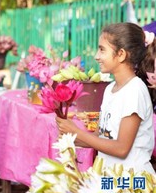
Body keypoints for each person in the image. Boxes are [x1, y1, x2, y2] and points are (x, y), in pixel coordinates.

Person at [56, 22, 156, 174]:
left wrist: (78, 132)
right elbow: (99, 138)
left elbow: (122, 149)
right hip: (110, 177)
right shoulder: (110, 89)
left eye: (102, 50)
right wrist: (71, 135)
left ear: (121, 54)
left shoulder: (135, 91)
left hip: (131, 182)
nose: (97, 56)